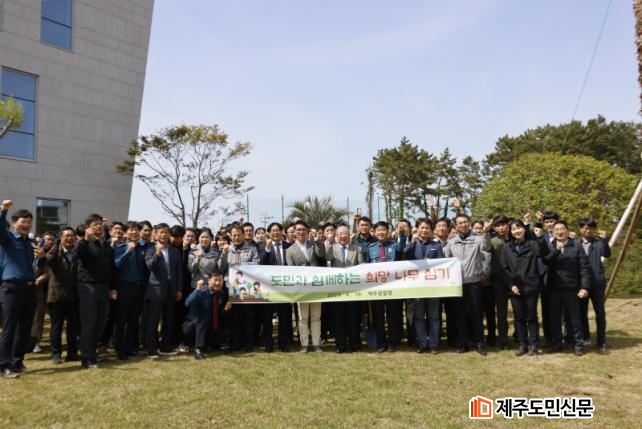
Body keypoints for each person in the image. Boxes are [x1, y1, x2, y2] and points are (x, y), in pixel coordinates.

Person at [0, 200, 45, 378]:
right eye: (22, 222)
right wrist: (3, 211)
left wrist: (42, 257)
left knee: (24, 329)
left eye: (29, 222)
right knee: (9, 329)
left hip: (29, 288)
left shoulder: (31, 243)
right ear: (14, 224)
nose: (26, 225)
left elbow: (38, 264)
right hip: (11, 289)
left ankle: (17, 362)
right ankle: (4, 366)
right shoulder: (8, 239)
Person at [443, 214, 491, 356]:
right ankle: (463, 343)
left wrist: (485, 272)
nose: (463, 225)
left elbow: (486, 252)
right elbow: (445, 260)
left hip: (474, 282)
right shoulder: (451, 242)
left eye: (465, 222)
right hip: (458, 284)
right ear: (455, 226)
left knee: (476, 313)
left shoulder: (478, 239)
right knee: (460, 315)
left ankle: (479, 342)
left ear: (469, 224)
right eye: (460, 223)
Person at [501, 220, 550, 356]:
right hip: (515, 288)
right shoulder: (507, 247)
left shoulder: (533, 244)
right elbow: (504, 268)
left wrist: (540, 238)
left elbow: (545, 254)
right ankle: (522, 344)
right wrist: (511, 285)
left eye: (519, 228)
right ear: (510, 232)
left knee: (532, 317)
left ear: (524, 229)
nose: (517, 231)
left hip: (531, 286)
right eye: (513, 229)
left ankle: (534, 344)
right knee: (519, 318)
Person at [543, 220, 591, 356]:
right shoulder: (549, 246)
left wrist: (584, 287)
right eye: (556, 229)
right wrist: (556, 250)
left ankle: (578, 344)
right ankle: (557, 343)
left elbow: (584, 268)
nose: (559, 231)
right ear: (552, 232)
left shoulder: (576, 245)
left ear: (567, 231)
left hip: (571, 288)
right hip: (554, 288)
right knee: (555, 318)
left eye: (562, 229)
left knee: (574, 318)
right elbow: (546, 261)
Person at [76, 213, 116, 369]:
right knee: (89, 323)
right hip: (88, 286)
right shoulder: (84, 243)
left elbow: (111, 268)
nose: (99, 227)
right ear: (88, 227)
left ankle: (93, 354)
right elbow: (76, 255)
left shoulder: (106, 245)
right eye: (95, 224)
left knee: (100, 323)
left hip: (104, 287)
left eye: (100, 224)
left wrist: (112, 287)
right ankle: (86, 357)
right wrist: (85, 239)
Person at [403, 218, 444, 354]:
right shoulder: (412, 244)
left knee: (434, 317)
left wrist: (431, 262)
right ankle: (422, 343)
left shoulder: (436, 245)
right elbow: (405, 258)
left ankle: (433, 344)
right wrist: (411, 242)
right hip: (417, 286)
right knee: (419, 317)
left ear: (431, 230)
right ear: (417, 229)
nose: (424, 230)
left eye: (427, 228)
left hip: (433, 286)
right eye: (422, 227)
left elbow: (442, 263)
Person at [285, 220, 326, 353]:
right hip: (301, 288)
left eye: (303, 229)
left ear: (308, 231)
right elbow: (290, 269)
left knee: (316, 316)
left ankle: (316, 343)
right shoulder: (289, 250)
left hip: (316, 286)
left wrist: (317, 240)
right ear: (294, 232)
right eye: (298, 230)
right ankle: (304, 344)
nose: (301, 232)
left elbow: (321, 254)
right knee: (303, 318)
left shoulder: (313, 244)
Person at [218, 224, 260, 352]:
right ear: (230, 236)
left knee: (248, 317)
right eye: (234, 235)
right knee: (234, 317)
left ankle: (248, 345)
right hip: (231, 288)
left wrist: (241, 265)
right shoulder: (227, 249)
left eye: (238, 235)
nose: (236, 237)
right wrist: (224, 254)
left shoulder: (252, 249)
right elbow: (221, 268)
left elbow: (257, 264)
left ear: (243, 234)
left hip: (247, 288)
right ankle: (235, 344)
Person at [144, 223, 183, 359]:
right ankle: (151, 349)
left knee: (168, 320)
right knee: (153, 322)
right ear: (155, 235)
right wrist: (157, 253)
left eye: (166, 232)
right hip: (155, 290)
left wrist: (179, 288)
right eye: (161, 232)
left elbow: (178, 271)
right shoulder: (150, 249)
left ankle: (165, 347)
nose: (164, 235)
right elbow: (150, 266)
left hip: (171, 291)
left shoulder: (174, 251)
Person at [324, 225, 364, 353]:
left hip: (353, 290)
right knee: (339, 319)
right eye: (340, 234)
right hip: (338, 291)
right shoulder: (332, 248)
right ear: (336, 236)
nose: (343, 236)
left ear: (349, 235)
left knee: (354, 318)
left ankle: (355, 344)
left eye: (345, 233)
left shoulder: (357, 248)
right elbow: (327, 258)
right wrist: (329, 242)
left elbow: (362, 266)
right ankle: (340, 345)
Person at [366, 221, 405, 353]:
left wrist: (401, 233)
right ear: (374, 232)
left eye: (383, 230)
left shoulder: (394, 246)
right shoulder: (371, 248)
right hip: (376, 288)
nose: (381, 232)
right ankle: (381, 342)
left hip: (392, 286)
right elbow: (366, 266)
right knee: (378, 316)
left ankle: (393, 342)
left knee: (393, 315)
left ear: (388, 232)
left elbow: (402, 246)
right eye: (378, 230)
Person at [113, 221, 147, 360]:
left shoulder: (143, 248)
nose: (134, 232)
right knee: (121, 319)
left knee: (134, 319)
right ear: (125, 233)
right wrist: (128, 251)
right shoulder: (120, 247)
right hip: (124, 286)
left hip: (139, 287)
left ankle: (130, 347)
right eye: (131, 230)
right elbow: (116, 264)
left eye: (136, 230)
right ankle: (119, 349)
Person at [45, 227, 80, 364]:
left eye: (72, 236)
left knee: (73, 328)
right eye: (67, 236)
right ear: (61, 237)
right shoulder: (55, 252)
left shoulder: (77, 252)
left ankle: (72, 353)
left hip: (73, 296)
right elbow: (46, 261)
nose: (70, 238)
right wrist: (56, 246)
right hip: (56, 296)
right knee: (56, 327)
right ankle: (56, 353)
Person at [576, 219, 610, 352]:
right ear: (580, 229)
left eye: (590, 228)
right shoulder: (575, 243)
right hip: (581, 284)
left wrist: (605, 240)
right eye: (585, 228)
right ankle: (585, 337)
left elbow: (607, 254)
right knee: (581, 313)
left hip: (597, 283)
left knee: (600, 313)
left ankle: (601, 341)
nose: (588, 230)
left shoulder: (599, 243)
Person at [259, 222, 293, 352]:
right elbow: (261, 263)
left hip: (284, 288)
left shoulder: (288, 246)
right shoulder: (262, 246)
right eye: (273, 230)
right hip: (269, 288)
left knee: (284, 317)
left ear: (281, 232)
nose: (275, 233)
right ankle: (269, 344)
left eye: (278, 230)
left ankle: (283, 343)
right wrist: (267, 249)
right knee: (267, 318)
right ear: (268, 233)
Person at [184, 272, 231, 359]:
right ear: (209, 280)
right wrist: (197, 289)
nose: (218, 283)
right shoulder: (202, 291)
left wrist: (225, 309)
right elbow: (187, 303)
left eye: (220, 280)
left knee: (225, 332)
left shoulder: (221, 294)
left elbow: (217, 315)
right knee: (203, 319)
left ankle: (211, 344)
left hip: (208, 326)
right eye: (215, 280)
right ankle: (198, 349)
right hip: (192, 325)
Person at [486, 215, 511, 349]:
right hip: (498, 281)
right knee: (501, 312)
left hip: (515, 280)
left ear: (508, 225)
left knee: (520, 311)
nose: (501, 228)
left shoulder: (515, 239)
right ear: (495, 228)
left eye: (504, 225)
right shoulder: (492, 241)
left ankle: (520, 336)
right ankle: (503, 339)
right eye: (498, 226)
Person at [30, 230, 56, 353]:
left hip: (50, 290)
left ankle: (40, 341)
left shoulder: (55, 253)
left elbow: (49, 271)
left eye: (51, 239)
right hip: (36, 289)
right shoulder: (36, 251)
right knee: (35, 317)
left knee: (42, 318)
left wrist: (42, 278)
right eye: (47, 239)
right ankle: (32, 341)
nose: (49, 242)